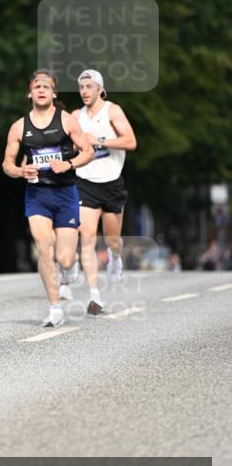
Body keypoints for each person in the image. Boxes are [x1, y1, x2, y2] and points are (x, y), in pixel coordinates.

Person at [3, 69, 94, 328]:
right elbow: (7, 165)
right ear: (29, 93)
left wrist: (69, 164)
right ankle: (54, 308)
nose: (41, 90)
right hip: (37, 194)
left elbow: (87, 151)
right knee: (44, 246)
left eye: (46, 86)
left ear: (54, 93)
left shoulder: (67, 121)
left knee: (64, 258)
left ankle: (72, 262)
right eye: (36, 86)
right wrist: (21, 171)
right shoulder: (19, 127)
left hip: (65, 193)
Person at [70, 69, 137, 310]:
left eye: (89, 86)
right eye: (81, 87)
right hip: (85, 182)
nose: (84, 91)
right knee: (86, 237)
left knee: (112, 239)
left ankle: (115, 258)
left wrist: (98, 141)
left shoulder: (113, 111)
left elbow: (130, 142)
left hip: (111, 182)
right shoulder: (76, 116)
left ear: (100, 89)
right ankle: (94, 295)